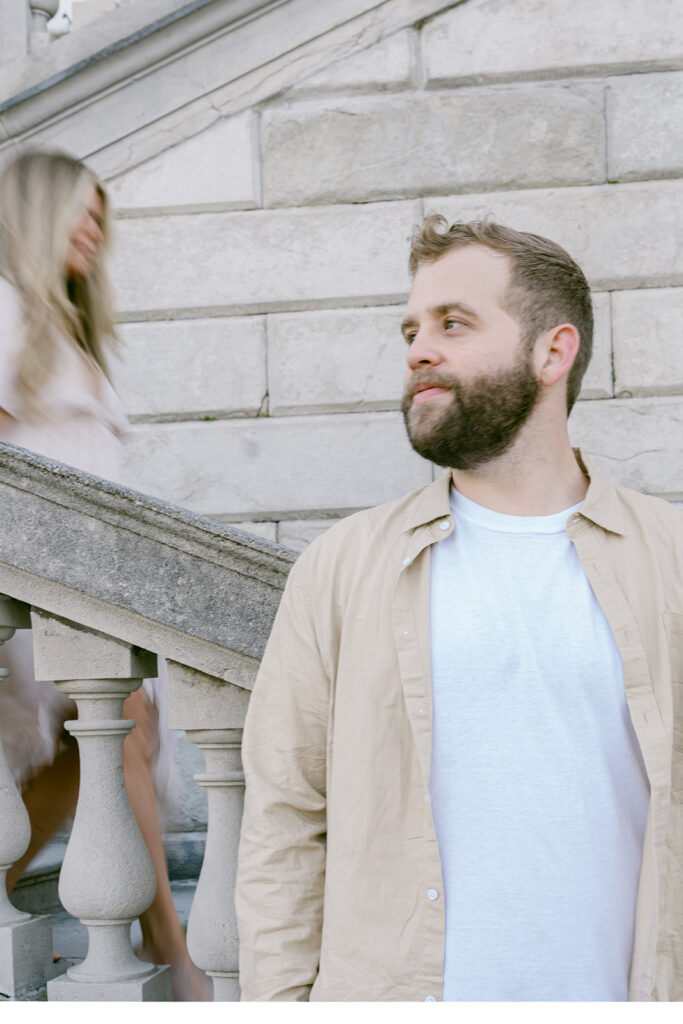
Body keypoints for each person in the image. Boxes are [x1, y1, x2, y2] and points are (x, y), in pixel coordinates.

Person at [235, 215, 682, 1002]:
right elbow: (283, 825)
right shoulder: (341, 568)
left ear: (553, 350)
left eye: (452, 323)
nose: (416, 349)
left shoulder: (669, 555)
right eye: (410, 328)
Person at [0, 149, 210, 1001]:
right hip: (40, 593)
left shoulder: (64, 329)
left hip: (86, 594)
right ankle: (180, 955)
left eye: (101, 215)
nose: (93, 228)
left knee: (72, 763)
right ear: (34, 216)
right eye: (78, 212)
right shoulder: (6, 308)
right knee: (117, 735)